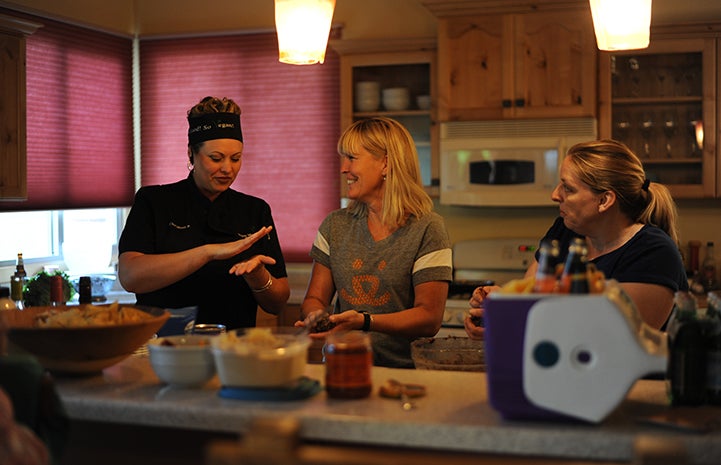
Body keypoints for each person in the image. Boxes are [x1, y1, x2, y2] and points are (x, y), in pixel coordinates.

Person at [465, 139, 688, 339]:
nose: (555, 194)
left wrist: (510, 323)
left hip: (639, 385)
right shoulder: (565, 231)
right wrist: (500, 303)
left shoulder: (653, 252)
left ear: (604, 200)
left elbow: (615, 340)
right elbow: (530, 301)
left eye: (568, 188)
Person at [118, 96, 289, 330]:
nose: (227, 168)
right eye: (216, 158)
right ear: (191, 154)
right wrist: (208, 252)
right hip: (166, 347)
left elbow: (277, 304)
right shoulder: (154, 201)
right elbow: (130, 276)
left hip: (232, 349)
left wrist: (257, 274)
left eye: (236, 158)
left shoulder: (254, 210)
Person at [296, 117, 453, 368]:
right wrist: (316, 316)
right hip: (342, 365)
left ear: (386, 164)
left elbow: (429, 319)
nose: (343, 168)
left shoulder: (428, 228)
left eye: (352, 158)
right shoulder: (335, 225)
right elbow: (314, 298)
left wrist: (364, 321)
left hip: (404, 372)